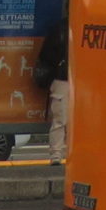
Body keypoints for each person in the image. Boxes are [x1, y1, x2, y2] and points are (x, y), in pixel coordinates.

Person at [30, 19, 69, 163]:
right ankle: (57, 154)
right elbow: (47, 55)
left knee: (61, 119)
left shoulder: (59, 29)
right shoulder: (60, 30)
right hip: (64, 78)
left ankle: (58, 154)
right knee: (61, 118)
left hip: (64, 78)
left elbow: (46, 55)